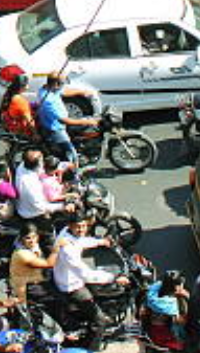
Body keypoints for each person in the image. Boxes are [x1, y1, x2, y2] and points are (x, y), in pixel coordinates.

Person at [53, 215, 126, 350]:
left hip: (66, 275)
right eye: (78, 227)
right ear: (70, 226)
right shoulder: (68, 249)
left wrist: (100, 242)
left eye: (84, 226)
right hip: (71, 286)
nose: (81, 230)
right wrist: (114, 278)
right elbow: (87, 275)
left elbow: (81, 241)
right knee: (99, 321)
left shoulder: (66, 233)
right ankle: (92, 348)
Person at [34, 75, 96, 164]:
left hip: (61, 123)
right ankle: (74, 175)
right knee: (71, 155)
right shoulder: (48, 100)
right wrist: (87, 121)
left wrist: (82, 92)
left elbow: (64, 92)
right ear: (55, 84)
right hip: (55, 129)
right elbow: (64, 120)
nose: (63, 85)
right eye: (62, 83)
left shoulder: (49, 88)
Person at [10, 221, 57, 303]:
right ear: (22, 238)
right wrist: (57, 250)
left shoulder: (36, 245)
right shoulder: (22, 254)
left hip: (41, 277)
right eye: (28, 238)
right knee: (55, 300)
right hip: (29, 285)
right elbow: (48, 264)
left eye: (34, 237)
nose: (32, 241)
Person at [145, 271, 189, 350]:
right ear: (175, 287)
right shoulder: (170, 304)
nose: (183, 286)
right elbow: (181, 321)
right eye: (181, 284)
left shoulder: (153, 291)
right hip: (162, 333)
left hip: (149, 327)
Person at [14, 149, 59, 221]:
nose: (44, 162)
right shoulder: (31, 185)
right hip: (31, 213)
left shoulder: (23, 166)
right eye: (42, 161)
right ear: (37, 165)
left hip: (29, 202)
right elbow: (40, 206)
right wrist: (61, 206)